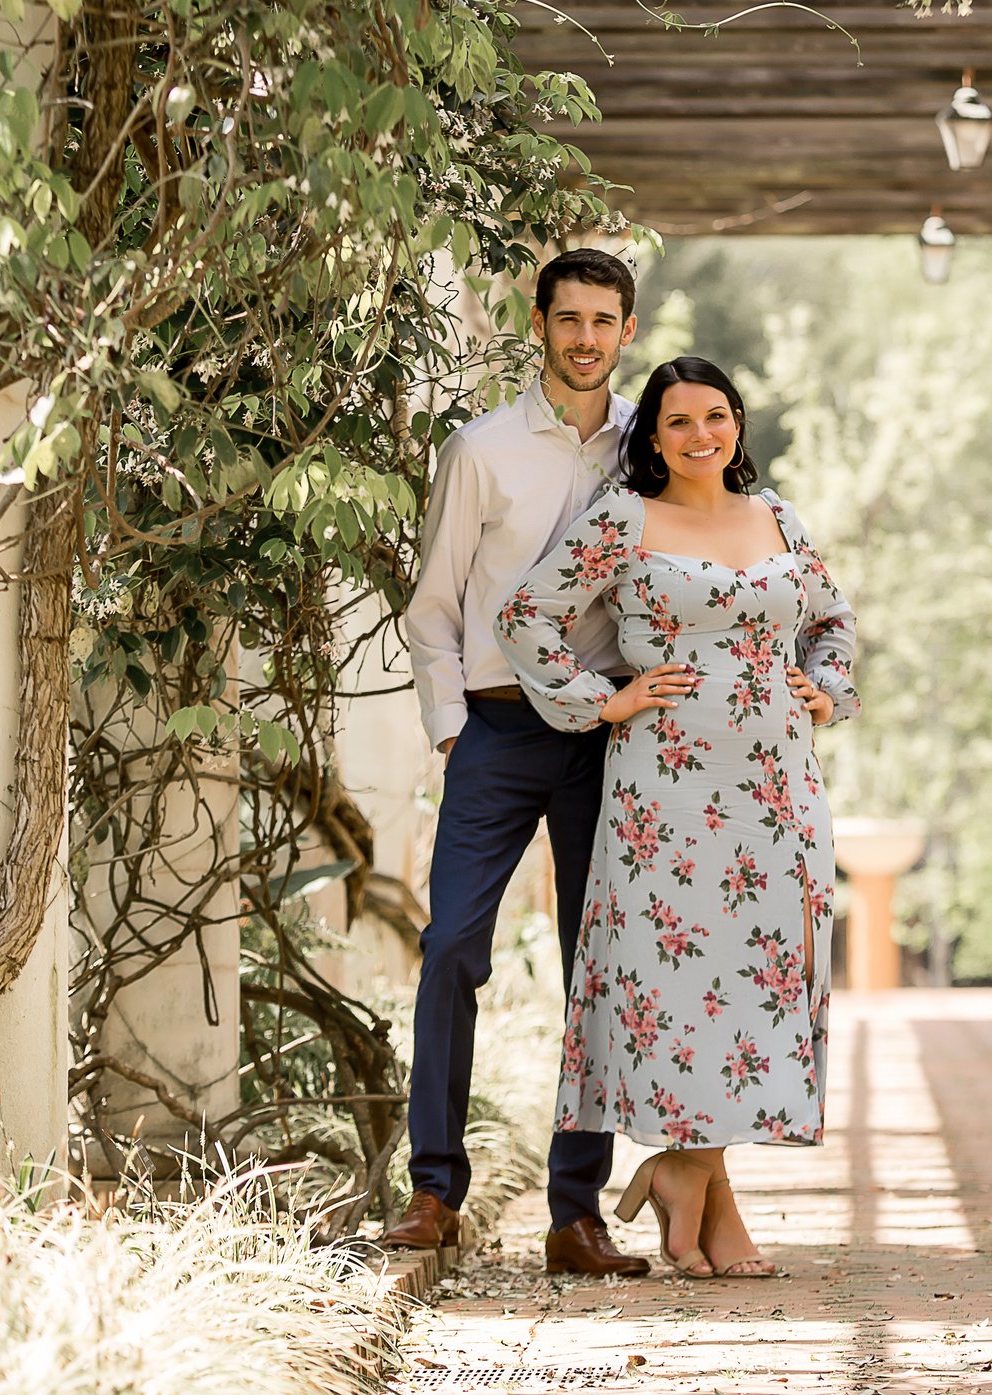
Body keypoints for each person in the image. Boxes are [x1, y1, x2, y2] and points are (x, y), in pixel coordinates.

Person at [496, 355, 858, 1278]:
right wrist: (601, 701)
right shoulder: (624, 518)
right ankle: (697, 1189)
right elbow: (526, 615)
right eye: (680, 422)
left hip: (778, 792)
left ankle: (684, 1174)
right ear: (650, 439)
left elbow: (834, 621)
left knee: (760, 979)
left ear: (738, 422)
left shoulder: (777, 516)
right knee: (686, 984)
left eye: (718, 416)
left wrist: (824, 692)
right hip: (668, 791)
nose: (703, 436)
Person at [390, 249, 653, 1277]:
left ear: (627, 329)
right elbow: (433, 607)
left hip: (613, 744)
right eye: (569, 317)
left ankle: (574, 1212)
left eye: (604, 319)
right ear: (537, 322)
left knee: (599, 968)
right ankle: (432, 1189)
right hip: (496, 734)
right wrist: (454, 727)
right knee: (452, 943)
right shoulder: (481, 449)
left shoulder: (651, 445)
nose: (585, 336)